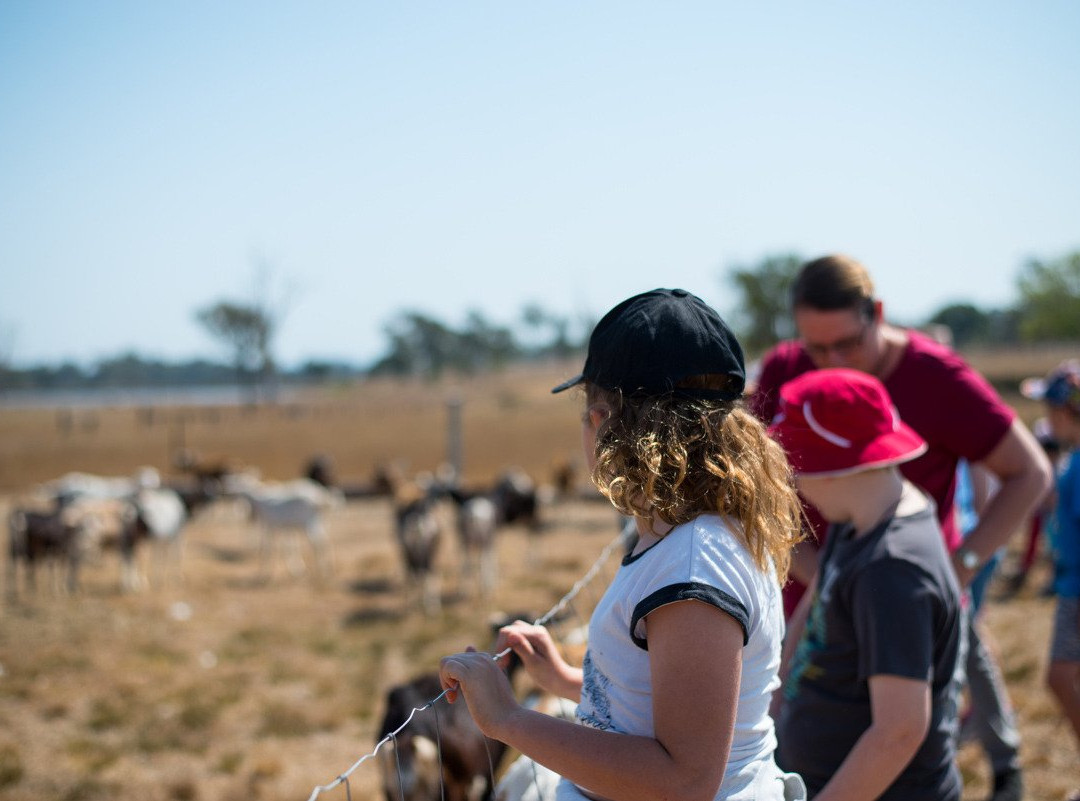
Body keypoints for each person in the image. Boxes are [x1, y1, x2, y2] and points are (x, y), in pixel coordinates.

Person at [439, 288, 807, 801]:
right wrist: (572, 682)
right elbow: (673, 709)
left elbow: (686, 778)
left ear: (604, 422)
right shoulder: (691, 532)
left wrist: (507, 719)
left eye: (588, 410)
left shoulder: (694, 567)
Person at [749, 254, 1052, 801]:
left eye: (847, 344)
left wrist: (960, 568)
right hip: (818, 590)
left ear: (877, 314)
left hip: (897, 594)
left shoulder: (938, 380)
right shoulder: (784, 369)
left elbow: (1029, 472)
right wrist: (818, 573)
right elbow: (759, 484)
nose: (831, 361)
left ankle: (1005, 766)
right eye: (817, 348)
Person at [769, 368, 964, 800]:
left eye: (798, 464)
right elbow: (820, 598)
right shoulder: (863, 514)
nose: (794, 481)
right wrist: (777, 699)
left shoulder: (892, 570)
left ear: (836, 466)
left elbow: (899, 731)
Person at [1021, 362, 1080, 800]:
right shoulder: (1072, 459)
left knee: (1060, 677)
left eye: (1050, 407)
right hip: (1068, 587)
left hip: (1078, 592)